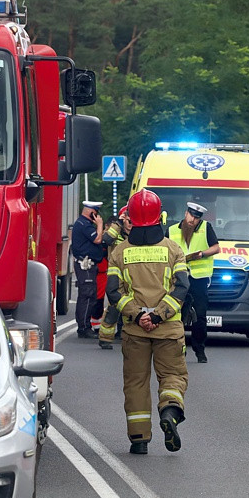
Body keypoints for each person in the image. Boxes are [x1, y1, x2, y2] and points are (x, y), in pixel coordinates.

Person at [106, 189, 190, 455]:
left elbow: (113, 291)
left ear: (130, 217)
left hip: (134, 330)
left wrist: (137, 315)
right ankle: (169, 412)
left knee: (136, 383)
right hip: (169, 330)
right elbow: (182, 288)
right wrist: (158, 315)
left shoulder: (119, 252)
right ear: (160, 216)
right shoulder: (173, 250)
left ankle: (139, 439)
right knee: (172, 376)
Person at [167, 202, 220, 363]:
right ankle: (178, 350)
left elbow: (216, 248)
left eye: (196, 218)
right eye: (191, 216)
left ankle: (200, 349)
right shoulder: (172, 230)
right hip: (179, 278)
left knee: (200, 316)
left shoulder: (206, 227)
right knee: (177, 314)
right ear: (185, 213)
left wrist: (202, 254)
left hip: (199, 279)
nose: (193, 220)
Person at [98, 206, 132, 350]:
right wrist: (118, 223)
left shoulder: (136, 234)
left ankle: (127, 335)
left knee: (132, 305)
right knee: (114, 307)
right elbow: (105, 239)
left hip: (132, 275)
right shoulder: (115, 233)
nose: (131, 225)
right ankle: (105, 338)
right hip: (116, 275)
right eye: (128, 221)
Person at [70, 200, 104, 339]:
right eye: (96, 214)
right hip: (86, 265)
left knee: (89, 295)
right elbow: (97, 239)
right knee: (87, 295)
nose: (97, 217)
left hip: (88, 265)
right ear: (92, 212)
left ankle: (84, 326)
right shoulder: (84, 225)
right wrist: (100, 225)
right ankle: (84, 327)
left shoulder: (83, 223)